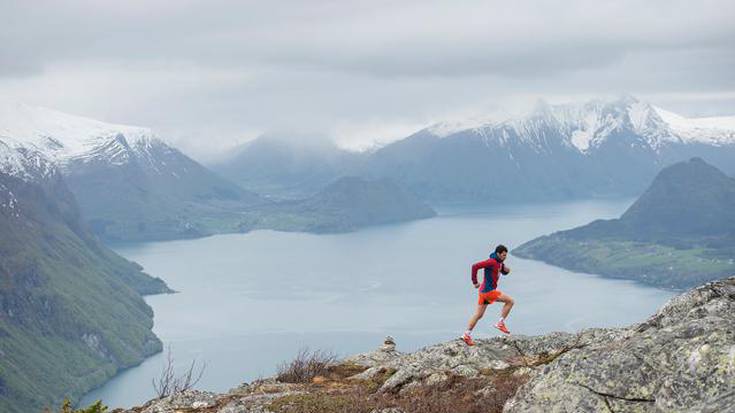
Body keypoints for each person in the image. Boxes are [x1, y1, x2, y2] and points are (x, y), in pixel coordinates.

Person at [462, 244, 514, 346]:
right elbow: (475, 266)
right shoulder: (491, 262)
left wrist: (506, 271)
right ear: (498, 254)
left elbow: (500, 271)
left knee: (479, 315)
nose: (505, 257)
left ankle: (466, 334)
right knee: (510, 301)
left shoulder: (499, 262)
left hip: (483, 292)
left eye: (506, 255)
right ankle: (500, 323)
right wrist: (475, 282)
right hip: (488, 292)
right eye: (503, 255)